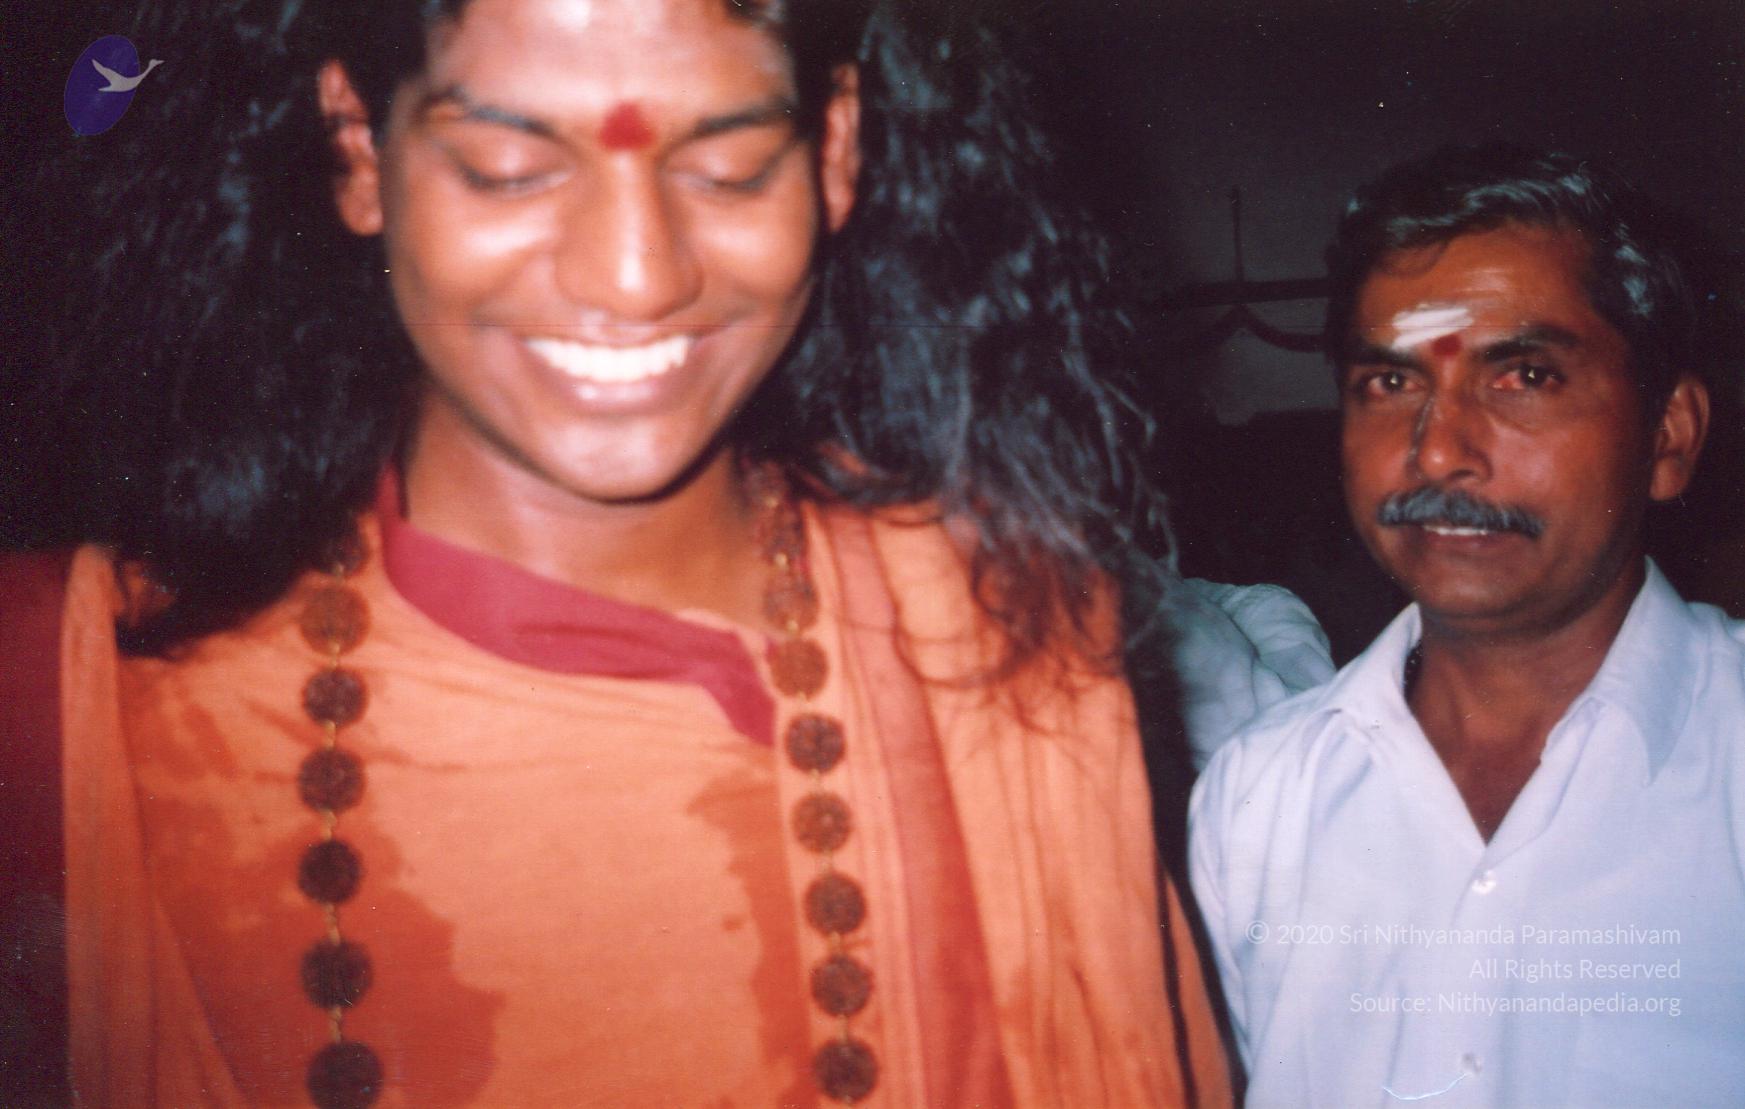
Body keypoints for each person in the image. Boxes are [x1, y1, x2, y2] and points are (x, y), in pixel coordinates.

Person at [0, 0, 1257, 1104]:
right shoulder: (65, 702)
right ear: (357, 150)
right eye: (507, 167)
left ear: (833, 152)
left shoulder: (1011, 632)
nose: (635, 275)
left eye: (727, 167)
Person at [1190, 144, 1745, 1106]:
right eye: (1389, 382)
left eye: (1523, 375)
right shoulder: (1254, 798)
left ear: (1668, 436)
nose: (1437, 451)